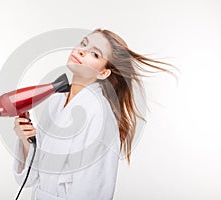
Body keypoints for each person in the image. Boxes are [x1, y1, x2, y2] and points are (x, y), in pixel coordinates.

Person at [12, 28, 176, 200]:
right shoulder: (55, 102)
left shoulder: (100, 115)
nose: (81, 51)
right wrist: (25, 140)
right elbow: (31, 177)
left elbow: (94, 191)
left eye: (95, 54)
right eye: (83, 43)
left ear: (103, 72)